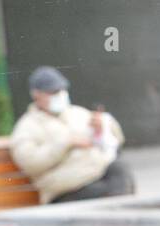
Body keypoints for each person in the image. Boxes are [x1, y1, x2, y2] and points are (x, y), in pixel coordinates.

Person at [10, 66, 134, 205]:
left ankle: (121, 216)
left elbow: (116, 141)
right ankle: (123, 218)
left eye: (62, 90)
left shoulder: (77, 113)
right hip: (66, 190)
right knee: (113, 193)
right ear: (36, 95)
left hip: (97, 173)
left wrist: (105, 126)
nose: (60, 95)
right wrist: (65, 143)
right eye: (53, 92)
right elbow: (31, 163)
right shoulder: (27, 127)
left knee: (120, 169)